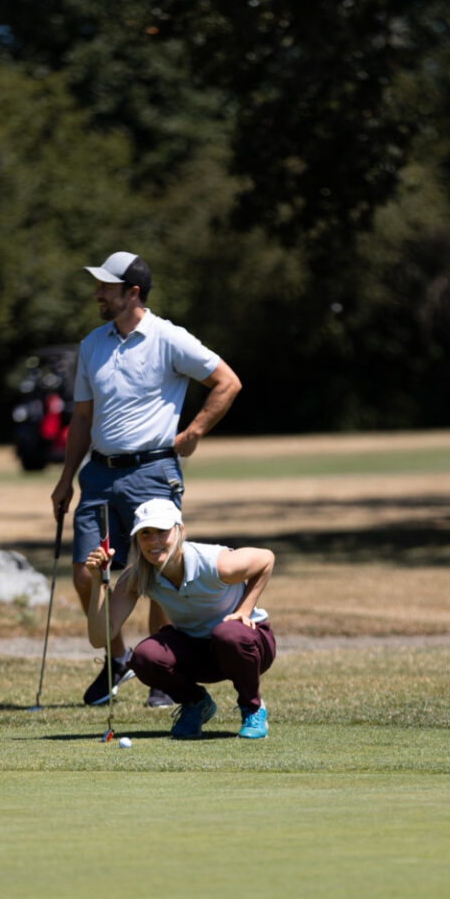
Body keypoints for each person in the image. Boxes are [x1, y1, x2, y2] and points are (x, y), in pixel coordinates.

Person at [51, 251, 242, 708]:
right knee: (85, 573)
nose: (97, 294)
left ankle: (162, 668)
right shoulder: (92, 343)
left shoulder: (168, 337)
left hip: (153, 470)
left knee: (157, 572)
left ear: (132, 292)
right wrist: (65, 480)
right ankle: (119, 659)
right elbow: (81, 418)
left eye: (106, 287)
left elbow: (227, 382)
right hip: (98, 473)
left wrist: (194, 432)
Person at [85, 498, 276, 739]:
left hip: (248, 646)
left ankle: (253, 708)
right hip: (199, 654)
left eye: (162, 532)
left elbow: (267, 558)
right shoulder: (138, 576)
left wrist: (244, 611)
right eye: (145, 534)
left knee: (228, 633)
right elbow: (100, 636)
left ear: (179, 531)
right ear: (137, 539)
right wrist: (97, 582)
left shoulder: (215, 563)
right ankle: (196, 704)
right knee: (145, 657)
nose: (154, 541)